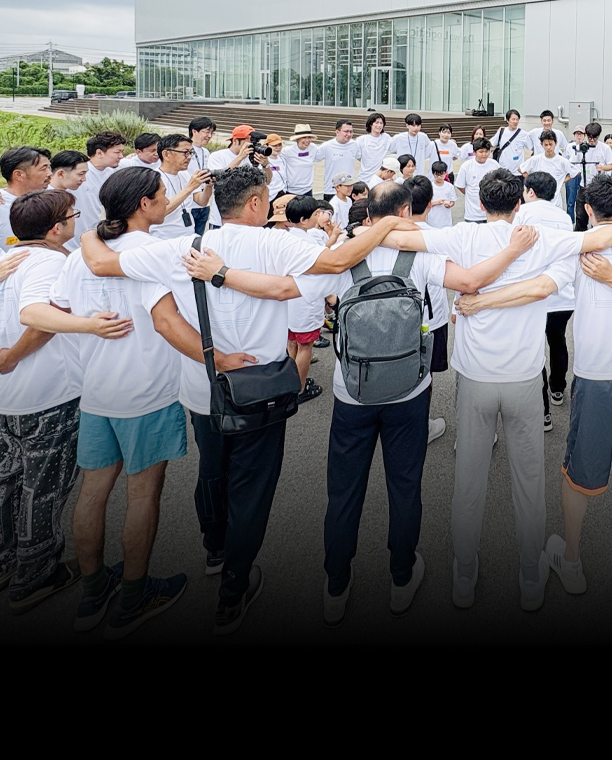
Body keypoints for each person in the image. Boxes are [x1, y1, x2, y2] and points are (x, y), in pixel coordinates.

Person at [80, 164, 423, 635]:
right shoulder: (277, 244)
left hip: (204, 387)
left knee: (211, 472)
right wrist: (383, 225)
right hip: (262, 390)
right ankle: (232, 590)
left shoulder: (183, 247)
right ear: (257, 203)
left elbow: (101, 263)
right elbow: (336, 263)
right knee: (252, 490)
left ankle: (214, 549)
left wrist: (88, 233)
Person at [183, 180, 541, 626]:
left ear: (366, 212)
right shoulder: (420, 256)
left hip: (351, 392)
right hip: (409, 392)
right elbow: (470, 281)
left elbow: (285, 290)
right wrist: (514, 251)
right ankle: (401, 577)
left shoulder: (342, 256)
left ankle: (336, 585)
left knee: (344, 492)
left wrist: (221, 273)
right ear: (405, 212)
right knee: (405, 487)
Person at [440, 169, 612, 611]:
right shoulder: (553, 240)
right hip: (523, 377)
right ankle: (532, 577)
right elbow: (541, 287)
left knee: (468, 479)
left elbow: (412, 238)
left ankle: (463, 575)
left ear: (479, 202)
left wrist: (476, 299)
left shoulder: (461, 236)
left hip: (477, 377)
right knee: (530, 482)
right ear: (520, 203)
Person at [48, 168, 188, 639]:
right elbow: (168, 323)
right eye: (163, 194)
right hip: (147, 391)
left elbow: (60, 311)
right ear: (144, 204)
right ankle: (133, 596)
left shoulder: (78, 258)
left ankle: (92, 590)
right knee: (142, 494)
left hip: (96, 390)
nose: (167, 200)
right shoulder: (151, 255)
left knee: (92, 492)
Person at [0, 189, 132, 613]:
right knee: (42, 488)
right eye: (73, 215)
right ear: (57, 228)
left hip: (12, 397)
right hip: (48, 392)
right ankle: (35, 576)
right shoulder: (51, 263)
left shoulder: (9, 260)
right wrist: (13, 356)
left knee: (9, 482)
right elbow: (38, 318)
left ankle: (8, 560)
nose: (78, 220)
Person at [513, 171, 573, 433]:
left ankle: (544, 413)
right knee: (558, 340)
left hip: (535, 293)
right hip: (563, 294)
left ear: (530, 192)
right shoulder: (564, 216)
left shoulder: (523, 214)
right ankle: (558, 388)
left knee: (535, 350)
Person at [404, 175, 449, 444]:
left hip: (399, 318)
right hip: (432, 319)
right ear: (430, 204)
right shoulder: (440, 238)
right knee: (426, 373)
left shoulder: (388, 236)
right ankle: (422, 425)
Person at [285, 195, 328, 403]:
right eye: (315, 214)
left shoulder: (284, 237)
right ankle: (300, 389)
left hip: (288, 303)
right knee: (305, 347)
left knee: (292, 342)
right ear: (303, 220)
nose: (318, 216)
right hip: (305, 302)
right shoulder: (309, 242)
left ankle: (289, 383)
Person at [207, 124, 272, 228]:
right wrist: (240, 157)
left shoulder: (252, 157)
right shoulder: (217, 156)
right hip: (221, 219)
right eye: (249, 143)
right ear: (235, 141)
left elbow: (267, 181)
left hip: (248, 219)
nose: (252, 146)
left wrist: (265, 165)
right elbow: (219, 179)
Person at [70, 131, 126, 250]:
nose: (121, 156)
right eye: (117, 152)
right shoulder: (76, 174)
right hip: (72, 238)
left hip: (96, 237)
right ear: (99, 153)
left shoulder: (114, 175)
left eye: (122, 152)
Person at [151, 133, 211, 239]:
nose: (189, 157)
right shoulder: (154, 178)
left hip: (187, 236)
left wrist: (209, 186)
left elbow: (202, 202)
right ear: (166, 154)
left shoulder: (184, 174)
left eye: (191, 153)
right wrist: (189, 188)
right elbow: (159, 212)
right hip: (163, 238)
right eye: (185, 152)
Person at [0, 147, 52, 251]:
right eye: (43, 168)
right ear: (18, 175)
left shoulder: (50, 200)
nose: (50, 173)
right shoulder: (2, 205)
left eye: (49, 167)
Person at [519, 131, 579, 208]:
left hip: (556, 203)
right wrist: (532, 180)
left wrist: (562, 180)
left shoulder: (562, 161)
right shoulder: (535, 159)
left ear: (555, 144)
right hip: (539, 202)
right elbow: (521, 169)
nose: (548, 147)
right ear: (542, 145)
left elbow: (575, 172)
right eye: (546, 145)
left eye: (551, 144)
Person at [573, 122, 612, 231]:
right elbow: (573, 163)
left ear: (598, 136)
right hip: (584, 185)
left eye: (594, 138)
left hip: (599, 187)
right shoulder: (581, 147)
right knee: (580, 216)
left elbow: (611, 165)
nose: (591, 140)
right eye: (589, 137)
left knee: (598, 216)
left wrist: (602, 168)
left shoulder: (605, 148)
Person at [454, 138, 500, 223]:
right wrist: (471, 193)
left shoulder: (495, 165)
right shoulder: (466, 166)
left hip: (491, 212)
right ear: (474, 152)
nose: (484, 154)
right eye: (481, 152)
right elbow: (460, 186)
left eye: (486, 151)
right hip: (472, 213)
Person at [315, 120, 361, 201]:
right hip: (331, 190)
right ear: (337, 132)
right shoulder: (326, 146)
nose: (349, 134)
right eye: (346, 131)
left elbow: (362, 159)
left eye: (351, 132)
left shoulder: (355, 145)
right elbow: (314, 158)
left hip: (348, 189)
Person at [187, 117, 216, 233]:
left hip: (204, 204)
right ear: (194, 131)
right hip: (190, 204)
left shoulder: (206, 152)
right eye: (207, 132)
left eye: (212, 133)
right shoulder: (184, 151)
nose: (209, 136)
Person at [489, 109, 530, 178]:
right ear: (508, 120)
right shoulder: (501, 132)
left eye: (517, 119)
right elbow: (491, 144)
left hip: (517, 172)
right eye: (513, 119)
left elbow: (531, 147)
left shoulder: (523, 134)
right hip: (503, 170)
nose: (515, 121)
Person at [281, 124, 318, 196]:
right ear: (297, 139)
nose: (307, 140)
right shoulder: (287, 151)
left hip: (307, 190)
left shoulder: (313, 148)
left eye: (309, 137)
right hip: (291, 190)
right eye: (304, 137)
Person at [356, 112, 391, 184]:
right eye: (376, 123)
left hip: (380, 178)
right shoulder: (362, 140)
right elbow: (358, 156)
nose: (379, 125)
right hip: (364, 177)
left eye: (381, 123)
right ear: (371, 124)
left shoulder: (386, 138)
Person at [564, 125, 586, 223]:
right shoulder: (569, 146)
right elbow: (565, 160)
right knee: (570, 201)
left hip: (583, 174)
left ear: (584, 135)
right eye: (577, 134)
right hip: (572, 175)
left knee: (582, 201)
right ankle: (570, 222)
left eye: (581, 134)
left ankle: (581, 222)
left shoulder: (587, 147)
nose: (579, 136)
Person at [427, 160, 457, 229]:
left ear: (446, 173)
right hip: (433, 221)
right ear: (433, 174)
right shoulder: (430, 187)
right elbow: (426, 204)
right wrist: (437, 203)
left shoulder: (449, 186)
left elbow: (452, 201)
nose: (439, 177)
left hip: (446, 221)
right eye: (437, 175)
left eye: (441, 174)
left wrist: (449, 205)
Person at [264, 133, 287, 204]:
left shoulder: (282, 159)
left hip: (282, 195)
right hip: (269, 197)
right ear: (267, 146)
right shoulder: (263, 161)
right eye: (274, 145)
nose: (278, 147)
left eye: (279, 145)